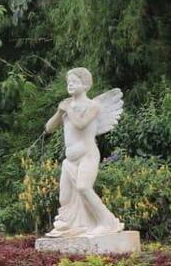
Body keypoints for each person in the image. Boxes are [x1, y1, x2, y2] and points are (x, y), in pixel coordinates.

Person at [43, 68, 124, 237]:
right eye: (68, 82)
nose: (70, 85)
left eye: (74, 82)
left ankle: (106, 222)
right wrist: (59, 111)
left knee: (84, 187)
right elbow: (49, 128)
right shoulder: (67, 107)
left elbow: (81, 124)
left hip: (87, 155)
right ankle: (72, 226)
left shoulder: (93, 105)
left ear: (85, 85)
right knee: (64, 198)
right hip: (69, 160)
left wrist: (69, 109)